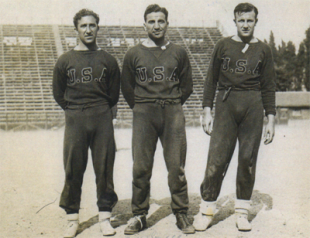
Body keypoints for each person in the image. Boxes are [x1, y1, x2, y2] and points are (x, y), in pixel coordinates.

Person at [194, 2, 276, 232]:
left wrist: (271, 117)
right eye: (242, 20)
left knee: (247, 159)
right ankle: (207, 209)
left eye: (250, 20)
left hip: (252, 103)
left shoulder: (264, 50)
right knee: (217, 158)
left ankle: (242, 211)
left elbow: (269, 86)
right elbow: (211, 80)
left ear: (256, 22)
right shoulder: (223, 45)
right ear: (235, 21)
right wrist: (207, 110)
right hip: (226, 103)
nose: (246, 24)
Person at [121, 4, 195, 235]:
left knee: (176, 167)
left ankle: (181, 212)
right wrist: (143, 106)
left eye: (160, 21)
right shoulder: (133, 53)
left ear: (167, 24)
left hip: (172, 111)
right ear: (144, 25)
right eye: (151, 21)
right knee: (141, 166)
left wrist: (171, 103)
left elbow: (187, 86)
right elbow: (126, 87)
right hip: (144, 112)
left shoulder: (178, 52)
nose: (156, 25)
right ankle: (139, 214)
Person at [53, 9, 120, 237]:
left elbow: (113, 94)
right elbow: (58, 93)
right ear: (76, 29)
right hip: (76, 117)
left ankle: (104, 216)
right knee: (73, 168)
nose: (88, 30)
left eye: (92, 25)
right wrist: (74, 110)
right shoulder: (65, 60)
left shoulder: (108, 60)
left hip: (102, 116)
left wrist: (99, 109)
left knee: (104, 167)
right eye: (83, 26)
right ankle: (72, 218)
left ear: (98, 28)